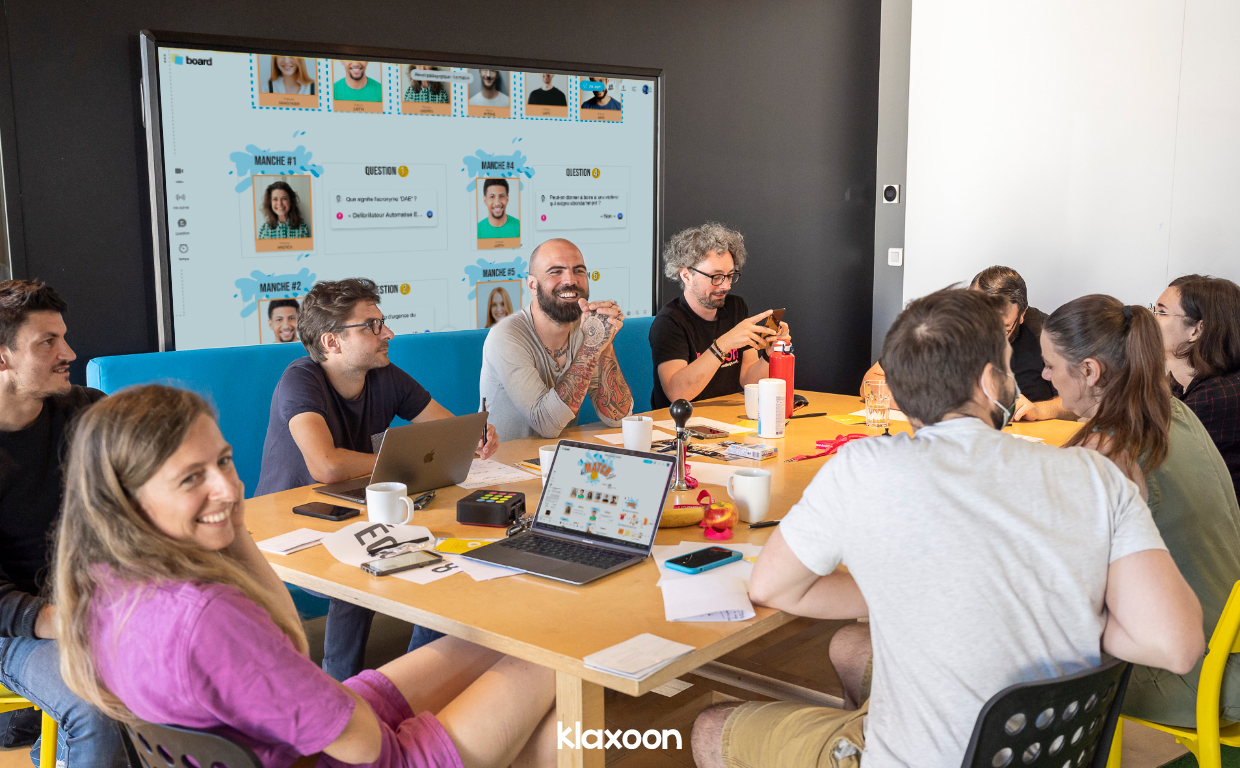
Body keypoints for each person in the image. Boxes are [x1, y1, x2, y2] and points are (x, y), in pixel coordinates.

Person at [692, 288, 1205, 768]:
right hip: (1056, 750)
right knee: (852, 651)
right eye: (1008, 365)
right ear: (988, 382)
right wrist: (1064, 603)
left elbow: (772, 587)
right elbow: (1176, 645)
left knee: (710, 728)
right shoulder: (1098, 477)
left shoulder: (862, 468)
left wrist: (906, 585)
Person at [53, 384, 557, 768]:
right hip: (358, 754)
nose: (228, 488)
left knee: (507, 638)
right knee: (556, 661)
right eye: (191, 478)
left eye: (224, 461)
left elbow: (292, 662)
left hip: (301, 742)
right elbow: (363, 744)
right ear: (128, 500)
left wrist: (234, 528)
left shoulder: (105, 583)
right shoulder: (208, 617)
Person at [255, 278, 498, 681]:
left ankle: (413, 677)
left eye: (382, 322)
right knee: (361, 568)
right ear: (331, 341)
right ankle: (341, 682)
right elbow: (326, 466)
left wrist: (475, 438)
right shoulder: (300, 380)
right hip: (290, 522)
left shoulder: (383, 374)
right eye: (372, 326)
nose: (388, 334)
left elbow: (450, 431)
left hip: (355, 509)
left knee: (442, 554)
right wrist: (396, 463)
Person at [1040, 294, 1240, 727]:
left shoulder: (1108, 451)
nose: (1045, 376)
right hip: (1229, 652)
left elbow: (1072, 588)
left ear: (1090, 371)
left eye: (1051, 365)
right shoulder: (1174, 411)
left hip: (1202, 678)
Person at [0, 279, 125, 767]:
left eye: (64, 338)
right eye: (47, 342)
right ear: (3, 357)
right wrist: (63, 620)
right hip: (17, 624)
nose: (69, 353)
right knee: (95, 706)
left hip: (95, 600)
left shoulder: (87, 410)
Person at [479, 238, 633, 440]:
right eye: (555, 272)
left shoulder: (585, 329)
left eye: (579, 271)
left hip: (559, 454)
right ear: (532, 284)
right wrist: (592, 347)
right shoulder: (507, 335)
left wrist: (605, 344)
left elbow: (618, 417)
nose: (570, 280)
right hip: (507, 458)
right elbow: (547, 425)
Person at [648, 222, 790, 410]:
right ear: (686, 275)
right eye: (716, 277)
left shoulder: (735, 307)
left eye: (730, 275)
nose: (726, 286)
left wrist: (768, 354)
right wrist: (723, 344)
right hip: (679, 422)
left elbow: (749, 381)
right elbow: (677, 394)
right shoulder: (669, 322)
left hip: (725, 419)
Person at [1153, 274, 1240, 503]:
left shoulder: (1213, 398)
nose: (1150, 320)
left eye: (1161, 313)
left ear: (1196, 331)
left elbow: (1149, 457)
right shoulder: (1180, 380)